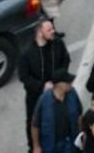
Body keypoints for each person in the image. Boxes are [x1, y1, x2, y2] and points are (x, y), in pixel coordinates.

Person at [18, 20, 71, 153]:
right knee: (34, 120)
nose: (53, 31)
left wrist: (57, 79)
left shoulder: (57, 43)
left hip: (57, 89)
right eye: (49, 30)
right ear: (40, 32)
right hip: (36, 95)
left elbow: (65, 60)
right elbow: (24, 77)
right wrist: (41, 86)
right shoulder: (27, 53)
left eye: (52, 29)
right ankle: (34, 147)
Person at [30, 71, 83, 153]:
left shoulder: (72, 93)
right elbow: (35, 124)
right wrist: (36, 146)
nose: (70, 83)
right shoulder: (44, 100)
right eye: (67, 82)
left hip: (70, 143)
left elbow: (79, 115)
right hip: (51, 146)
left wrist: (81, 135)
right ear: (58, 84)